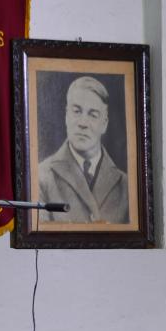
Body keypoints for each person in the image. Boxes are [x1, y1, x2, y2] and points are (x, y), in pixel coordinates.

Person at [38, 76, 129, 223]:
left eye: (93, 115)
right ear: (66, 116)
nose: (83, 123)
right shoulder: (42, 177)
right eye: (76, 111)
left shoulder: (126, 186)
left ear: (104, 124)